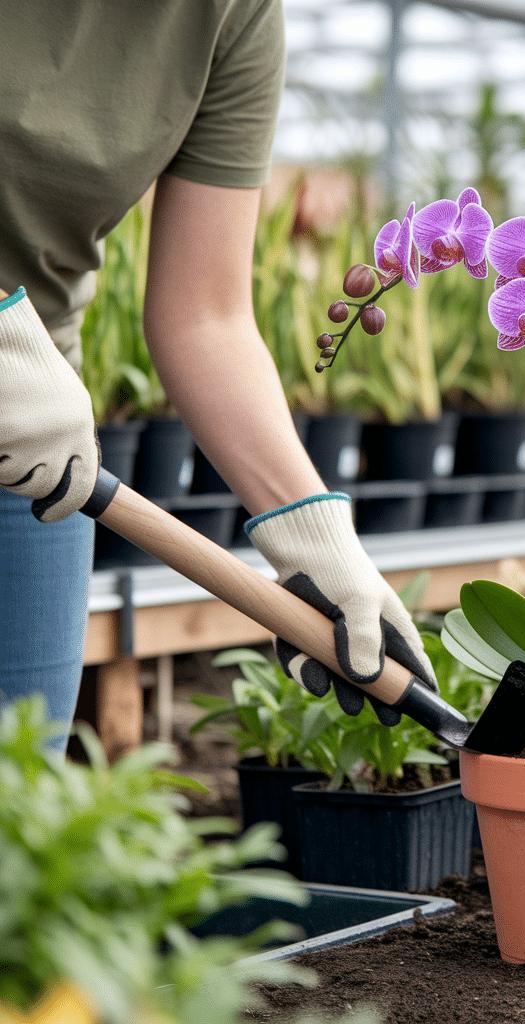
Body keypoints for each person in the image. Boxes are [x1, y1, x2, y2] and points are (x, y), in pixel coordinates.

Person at [0, 0, 435, 750]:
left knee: (20, 789)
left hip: (31, 428)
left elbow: (204, 315)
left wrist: (314, 535)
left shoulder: (236, 16)